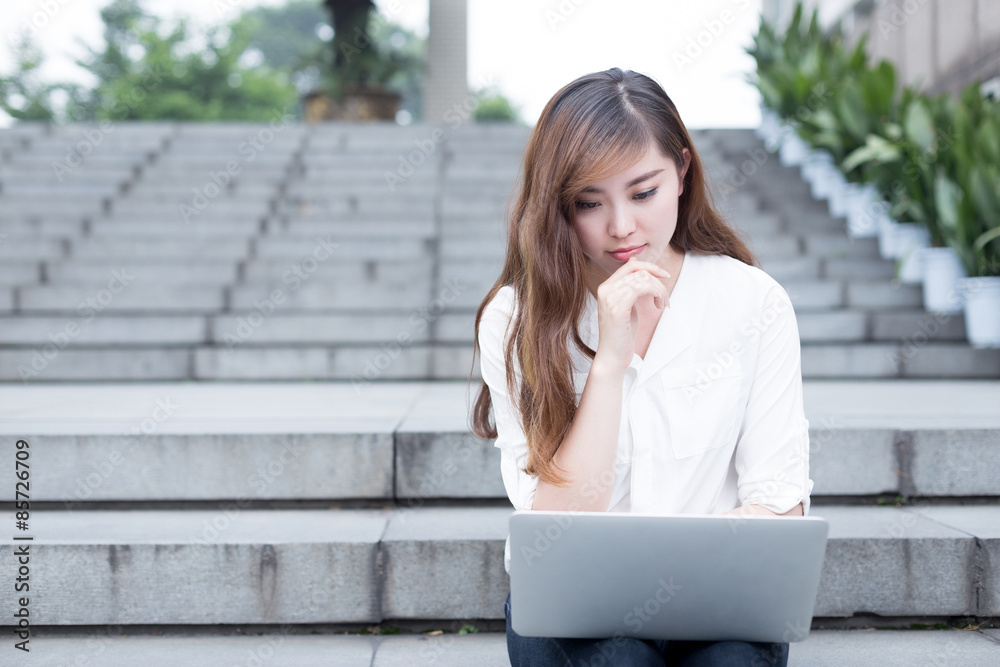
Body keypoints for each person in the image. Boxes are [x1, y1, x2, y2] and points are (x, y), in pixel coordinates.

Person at [469, 67, 814, 666]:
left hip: (719, 604)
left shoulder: (752, 301)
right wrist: (609, 361)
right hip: (573, 609)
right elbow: (558, 529)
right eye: (588, 203)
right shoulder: (517, 316)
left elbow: (781, 503)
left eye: (643, 192)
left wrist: (689, 569)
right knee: (619, 661)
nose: (621, 227)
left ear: (682, 172)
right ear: (558, 206)